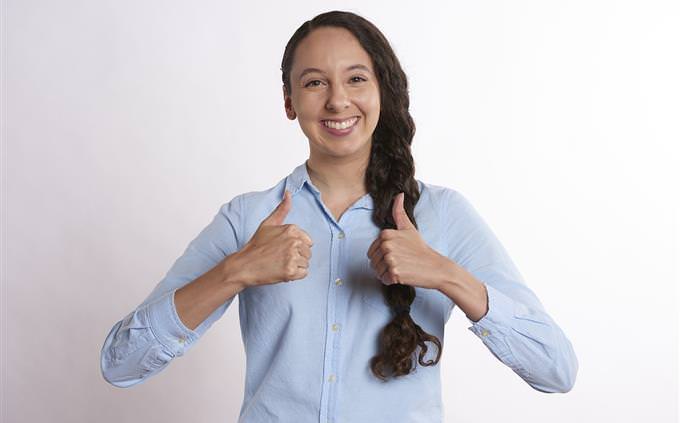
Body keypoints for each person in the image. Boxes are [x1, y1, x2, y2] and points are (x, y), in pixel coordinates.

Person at [100, 10, 578, 422]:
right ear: (290, 102)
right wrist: (236, 271)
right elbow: (121, 364)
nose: (336, 100)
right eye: (314, 82)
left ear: (382, 93)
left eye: (355, 78)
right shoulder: (247, 219)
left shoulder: (444, 214)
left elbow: (555, 370)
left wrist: (448, 276)